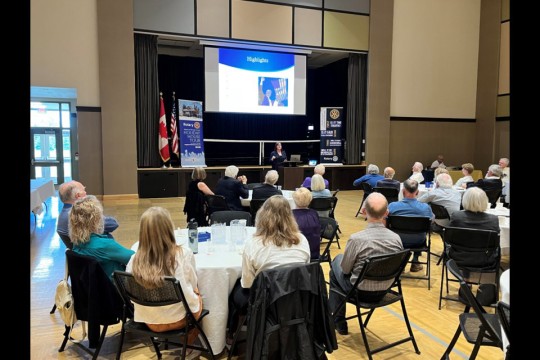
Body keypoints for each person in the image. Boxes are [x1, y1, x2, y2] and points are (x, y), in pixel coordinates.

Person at [227, 195, 310, 341]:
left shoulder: (253, 243)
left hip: (265, 302)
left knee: (232, 288)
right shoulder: (302, 240)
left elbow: (247, 284)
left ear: (262, 215)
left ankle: (232, 332)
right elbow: (305, 273)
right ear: (290, 216)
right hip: (296, 299)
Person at [126, 207, 202, 348]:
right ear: (169, 228)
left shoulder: (134, 259)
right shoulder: (182, 255)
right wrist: (197, 296)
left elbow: (132, 297)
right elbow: (190, 291)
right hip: (178, 319)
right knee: (199, 293)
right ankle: (192, 345)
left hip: (149, 320)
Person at [328, 193, 403, 335]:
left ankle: (339, 321)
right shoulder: (396, 239)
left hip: (359, 293)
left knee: (335, 267)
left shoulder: (357, 240)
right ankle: (337, 320)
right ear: (386, 213)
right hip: (385, 291)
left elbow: (345, 270)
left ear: (363, 211)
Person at [69, 195, 134, 279]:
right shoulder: (105, 245)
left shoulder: (76, 243)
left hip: (94, 288)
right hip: (115, 287)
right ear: (96, 220)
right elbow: (135, 259)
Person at [388, 179, 433, 272]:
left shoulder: (392, 206)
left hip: (397, 240)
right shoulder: (425, 207)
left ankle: (400, 263)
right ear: (417, 192)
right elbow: (431, 220)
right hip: (418, 241)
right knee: (420, 232)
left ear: (403, 191)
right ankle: (415, 261)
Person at [292, 187, 321, 260]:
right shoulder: (314, 213)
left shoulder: (290, 216)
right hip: (314, 253)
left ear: (294, 200)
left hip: (296, 255)